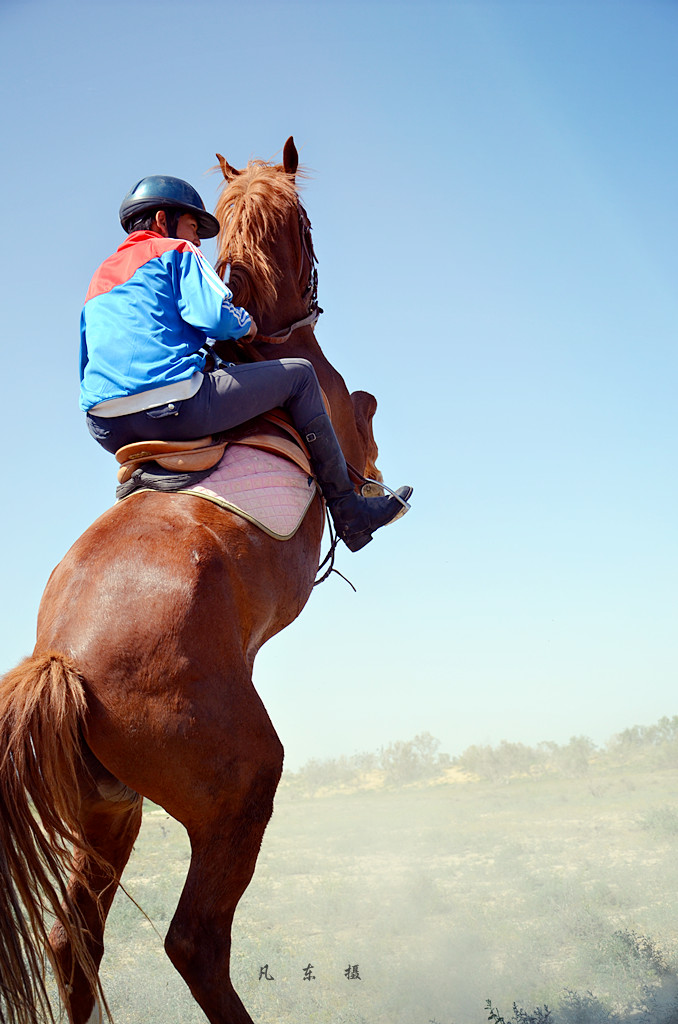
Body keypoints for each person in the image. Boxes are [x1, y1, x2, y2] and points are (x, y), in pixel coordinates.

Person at [80, 175, 412, 552]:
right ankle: (351, 513)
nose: (198, 240)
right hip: (175, 407)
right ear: (162, 221)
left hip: (105, 424)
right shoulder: (177, 252)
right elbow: (213, 317)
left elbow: (86, 359)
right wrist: (245, 322)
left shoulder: (99, 277)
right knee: (300, 376)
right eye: (193, 226)